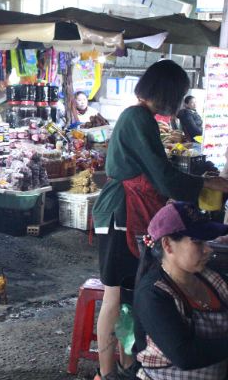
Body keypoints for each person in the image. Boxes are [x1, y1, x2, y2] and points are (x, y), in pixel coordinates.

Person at [91, 60, 228, 380]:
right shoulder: (137, 117)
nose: (180, 102)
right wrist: (208, 183)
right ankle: (107, 372)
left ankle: (125, 367)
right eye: (179, 95)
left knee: (127, 294)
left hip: (129, 208)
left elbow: (159, 173)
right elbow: (165, 179)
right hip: (121, 211)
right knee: (114, 294)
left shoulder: (142, 117)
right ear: (169, 92)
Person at [134, 201, 228, 379]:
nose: (207, 249)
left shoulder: (213, 280)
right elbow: (184, 356)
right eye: (198, 242)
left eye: (206, 241)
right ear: (168, 245)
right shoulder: (152, 294)